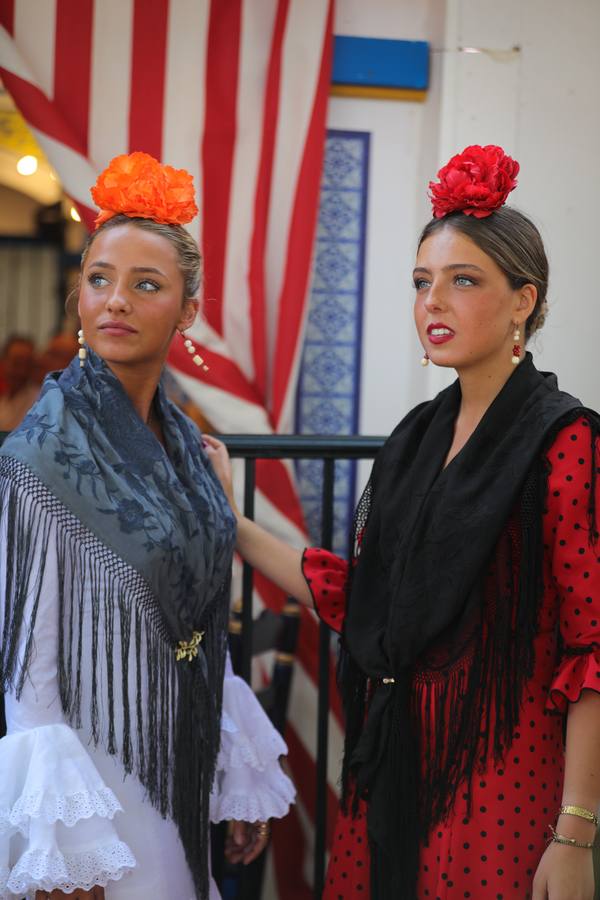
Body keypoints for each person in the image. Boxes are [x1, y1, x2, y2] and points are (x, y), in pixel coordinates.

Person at [204, 145, 600, 900]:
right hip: (391, 768)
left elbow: (592, 648)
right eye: (422, 282)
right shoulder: (416, 437)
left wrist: (576, 831)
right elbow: (363, 601)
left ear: (523, 300)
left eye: (463, 281)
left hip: (502, 778)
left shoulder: (564, 439)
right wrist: (234, 523)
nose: (433, 302)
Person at [0, 152, 294, 900]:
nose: (115, 302)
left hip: (178, 758)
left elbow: (199, 615)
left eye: (146, 285)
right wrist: (67, 857)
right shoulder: (39, 454)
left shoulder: (190, 448)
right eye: (99, 279)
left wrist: (230, 763)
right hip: (96, 783)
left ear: (187, 311)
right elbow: (29, 674)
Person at [0, 335, 39, 431]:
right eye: (16, 363)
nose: (22, 371)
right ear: (4, 362)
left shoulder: (39, 401)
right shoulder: (4, 399)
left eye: (28, 364)